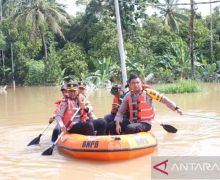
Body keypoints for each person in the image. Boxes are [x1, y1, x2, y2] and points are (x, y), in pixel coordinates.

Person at [109, 74, 183, 135]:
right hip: (132, 122)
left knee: (130, 128)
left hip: (145, 123)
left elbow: (164, 100)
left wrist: (176, 108)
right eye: (133, 83)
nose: (136, 85)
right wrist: (117, 124)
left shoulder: (149, 93)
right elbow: (120, 112)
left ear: (141, 83)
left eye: (138, 82)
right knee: (112, 125)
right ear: (130, 85)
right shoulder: (127, 96)